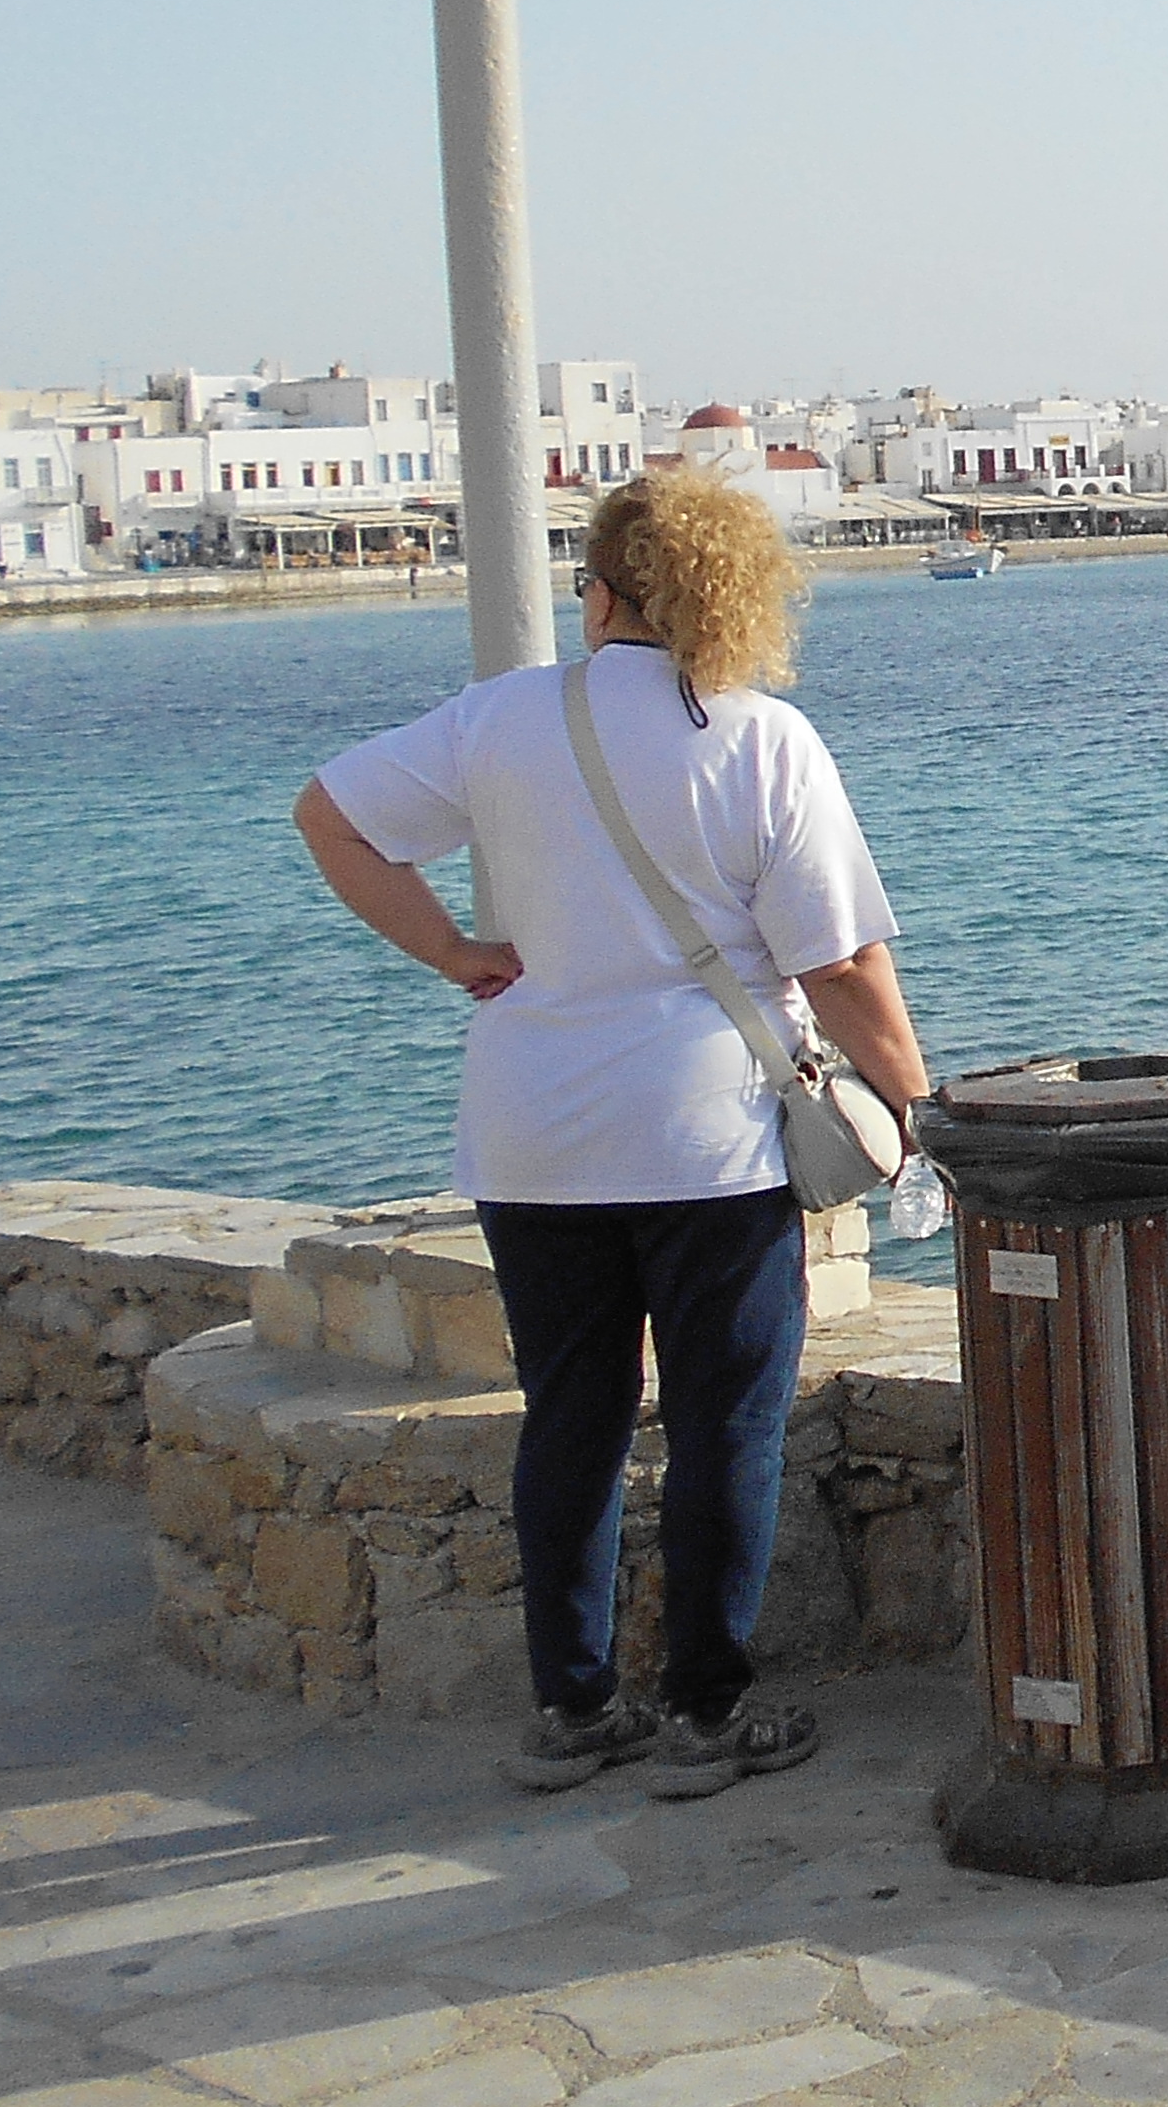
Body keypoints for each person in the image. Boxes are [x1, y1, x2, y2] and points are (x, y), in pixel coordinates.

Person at [296, 464, 929, 1802]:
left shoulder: (499, 718)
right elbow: (840, 965)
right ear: (731, 595)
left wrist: (454, 953)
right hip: (709, 1143)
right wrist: (916, 1107)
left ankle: (572, 1707)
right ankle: (705, 1712)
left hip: (531, 1137)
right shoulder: (760, 740)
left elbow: (331, 818)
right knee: (722, 1427)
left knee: (570, 1420)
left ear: (600, 592)